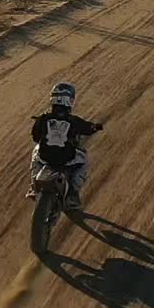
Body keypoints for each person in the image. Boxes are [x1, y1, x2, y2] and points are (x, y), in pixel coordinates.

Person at [26, 81, 102, 211]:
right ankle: (72, 193)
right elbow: (88, 129)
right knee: (83, 161)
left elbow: (35, 137)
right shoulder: (73, 120)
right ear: (69, 101)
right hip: (67, 159)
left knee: (35, 153)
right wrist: (96, 127)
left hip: (45, 158)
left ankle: (34, 186)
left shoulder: (43, 118)